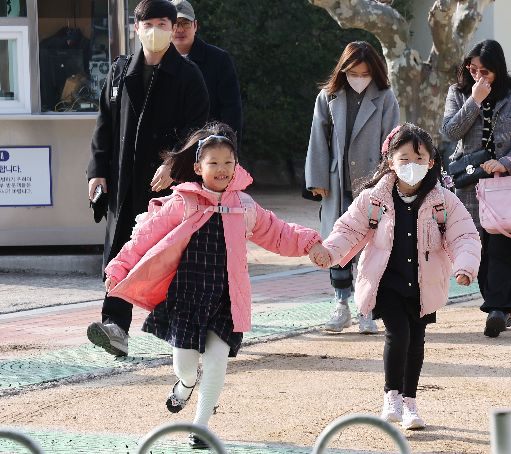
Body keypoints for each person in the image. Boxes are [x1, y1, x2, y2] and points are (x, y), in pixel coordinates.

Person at [103, 122, 329, 448]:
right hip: (186, 297)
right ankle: (184, 383)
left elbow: (278, 231)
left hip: (225, 299)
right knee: (185, 361)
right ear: (198, 167)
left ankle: (201, 426)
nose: (222, 169)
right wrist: (119, 267)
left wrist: (311, 243)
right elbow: (145, 237)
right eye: (214, 163)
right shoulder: (183, 202)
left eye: (228, 162)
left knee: (217, 361)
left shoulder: (244, 206)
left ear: (237, 165)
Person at [320, 123, 480, 429]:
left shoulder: (443, 200)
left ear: (432, 162)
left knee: (417, 340)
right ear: (389, 160)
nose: (412, 167)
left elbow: (465, 236)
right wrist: (329, 252)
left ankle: (410, 402)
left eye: (420, 160)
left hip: (423, 284)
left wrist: (464, 266)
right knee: (399, 334)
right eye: (404, 159)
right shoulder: (374, 198)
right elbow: (349, 229)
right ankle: (391, 396)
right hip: (387, 281)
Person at [86, 0, 210, 357]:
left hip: (167, 185)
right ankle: (114, 326)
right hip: (123, 181)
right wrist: (96, 171)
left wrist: (175, 164)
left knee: (170, 256)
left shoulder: (189, 76)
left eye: (163, 23)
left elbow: (198, 131)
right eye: (148, 23)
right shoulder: (120, 71)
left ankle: (187, 331)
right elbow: (104, 125)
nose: (155, 30)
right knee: (120, 251)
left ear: (173, 29)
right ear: (136, 28)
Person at [441, 39, 511, 338]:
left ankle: (497, 308)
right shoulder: (458, 93)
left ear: (498, 68)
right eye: (473, 69)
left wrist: (507, 162)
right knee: (476, 244)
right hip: (470, 181)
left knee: (502, 245)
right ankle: (498, 305)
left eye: (485, 71)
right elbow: (449, 132)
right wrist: (473, 100)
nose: (479, 76)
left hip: (507, 180)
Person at [305, 41, 400, 334]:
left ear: (374, 71)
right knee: (336, 241)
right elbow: (317, 138)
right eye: (353, 72)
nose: (359, 77)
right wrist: (317, 180)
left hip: (372, 183)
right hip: (336, 182)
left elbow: (393, 143)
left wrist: (388, 181)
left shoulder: (385, 98)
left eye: (364, 72)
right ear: (343, 70)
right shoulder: (329, 96)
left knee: (370, 245)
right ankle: (340, 303)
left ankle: (366, 307)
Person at [170, 0, 243, 144]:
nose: (179, 29)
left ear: (195, 25)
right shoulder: (158, 60)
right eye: (175, 23)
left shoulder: (219, 59)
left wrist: (229, 148)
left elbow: (232, 110)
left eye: (185, 23)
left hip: (209, 149)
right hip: (169, 151)